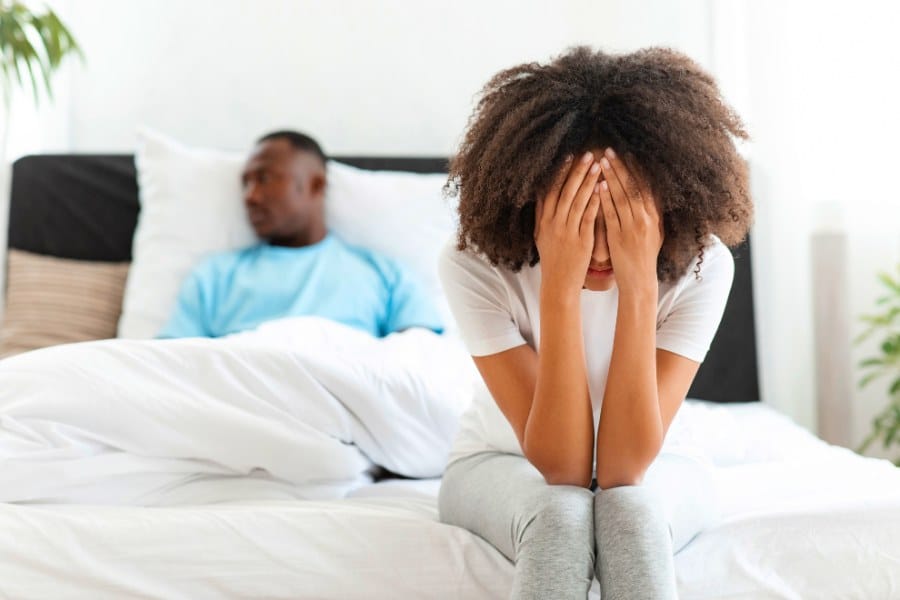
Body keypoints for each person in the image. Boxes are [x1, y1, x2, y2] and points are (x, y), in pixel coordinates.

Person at [437, 47, 753, 599]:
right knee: (560, 514)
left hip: (664, 461)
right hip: (497, 462)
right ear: (531, 200)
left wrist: (640, 286)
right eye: (581, 218)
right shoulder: (471, 267)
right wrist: (558, 284)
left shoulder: (704, 266)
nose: (601, 249)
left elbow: (624, 469)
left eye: (623, 219)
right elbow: (563, 468)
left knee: (630, 510)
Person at [158, 131, 443, 339]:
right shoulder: (214, 276)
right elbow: (167, 367)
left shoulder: (384, 275)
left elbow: (421, 362)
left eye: (265, 178)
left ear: (316, 185)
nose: (250, 197)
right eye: (245, 183)